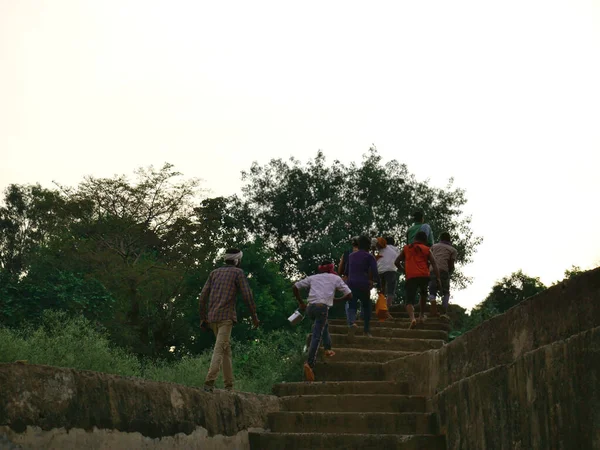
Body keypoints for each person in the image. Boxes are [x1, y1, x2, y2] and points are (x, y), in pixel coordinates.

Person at [199, 248, 260, 392]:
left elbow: (202, 297)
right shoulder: (238, 273)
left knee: (225, 350)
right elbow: (247, 296)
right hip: (226, 318)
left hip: (212, 317)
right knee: (220, 349)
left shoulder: (214, 273)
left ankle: (229, 385)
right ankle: (209, 382)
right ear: (237, 260)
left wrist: (203, 318)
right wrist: (254, 316)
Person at [293, 260, 352, 382]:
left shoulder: (314, 277)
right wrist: (337, 300)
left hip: (310, 308)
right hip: (322, 308)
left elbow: (295, 287)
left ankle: (327, 348)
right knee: (316, 335)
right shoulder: (335, 278)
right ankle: (310, 363)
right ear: (332, 268)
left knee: (322, 324)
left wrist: (300, 302)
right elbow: (349, 295)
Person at [395, 231, 441, 329]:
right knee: (423, 294)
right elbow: (434, 264)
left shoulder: (406, 248)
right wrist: (438, 278)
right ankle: (421, 315)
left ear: (415, 239)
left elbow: (396, 262)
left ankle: (412, 319)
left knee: (409, 301)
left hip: (411, 276)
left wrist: (404, 270)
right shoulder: (427, 249)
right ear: (424, 240)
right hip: (424, 275)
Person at [346, 235, 379, 337]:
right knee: (366, 306)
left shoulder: (351, 256)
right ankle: (366, 331)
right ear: (368, 245)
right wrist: (378, 284)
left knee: (352, 305)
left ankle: (352, 323)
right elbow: (375, 271)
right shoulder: (369, 256)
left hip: (351, 284)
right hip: (364, 284)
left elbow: (347, 271)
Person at [428, 232, 458, 319]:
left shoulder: (433, 247)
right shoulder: (453, 250)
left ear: (440, 238)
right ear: (449, 239)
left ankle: (433, 309)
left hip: (432, 270)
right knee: (445, 292)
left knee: (432, 290)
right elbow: (451, 265)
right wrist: (449, 273)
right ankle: (444, 312)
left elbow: (429, 259)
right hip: (444, 270)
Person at [376, 236, 400, 312]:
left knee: (382, 289)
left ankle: (381, 307)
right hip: (390, 270)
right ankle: (387, 309)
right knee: (390, 290)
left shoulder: (382, 248)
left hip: (379, 270)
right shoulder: (396, 249)